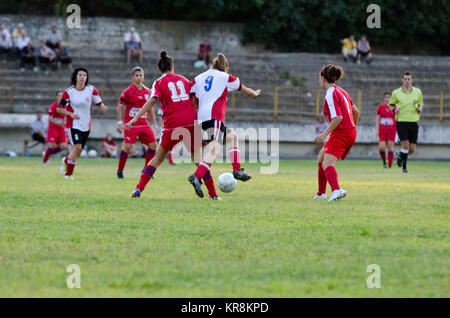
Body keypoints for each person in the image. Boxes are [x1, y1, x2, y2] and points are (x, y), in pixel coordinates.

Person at [126, 51, 218, 200]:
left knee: (157, 159)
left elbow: (152, 101)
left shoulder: (159, 82)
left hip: (172, 125)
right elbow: (196, 99)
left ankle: (138, 190)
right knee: (198, 161)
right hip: (190, 122)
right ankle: (213, 195)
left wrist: (136, 117)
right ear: (172, 66)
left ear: (159, 69)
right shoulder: (184, 79)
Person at [188, 53, 261, 198]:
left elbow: (192, 97)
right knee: (215, 149)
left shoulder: (198, 78)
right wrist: (256, 93)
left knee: (232, 137)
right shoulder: (225, 77)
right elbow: (248, 92)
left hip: (201, 118)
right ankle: (197, 176)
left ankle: (237, 170)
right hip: (214, 116)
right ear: (225, 67)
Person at [313, 64, 360, 202]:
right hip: (349, 131)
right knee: (321, 157)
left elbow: (338, 118)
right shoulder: (341, 91)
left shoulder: (330, 94)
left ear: (322, 78)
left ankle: (336, 190)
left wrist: (323, 134)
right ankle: (321, 193)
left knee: (327, 164)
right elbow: (356, 111)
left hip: (342, 133)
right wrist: (352, 127)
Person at [56, 68, 108, 179]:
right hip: (73, 124)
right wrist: (70, 114)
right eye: (80, 75)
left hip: (86, 125)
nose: (82, 77)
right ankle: (68, 174)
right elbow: (59, 109)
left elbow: (98, 102)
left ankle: (65, 160)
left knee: (78, 152)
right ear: (76, 77)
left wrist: (102, 107)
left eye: (84, 75)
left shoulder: (92, 90)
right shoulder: (69, 92)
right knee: (77, 147)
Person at [116, 67, 159, 178]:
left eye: (141, 75)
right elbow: (120, 107)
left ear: (143, 77)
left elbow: (150, 109)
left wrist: (154, 124)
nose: (139, 77)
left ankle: (146, 170)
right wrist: (119, 122)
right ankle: (120, 171)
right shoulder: (127, 92)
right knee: (127, 148)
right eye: (137, 75)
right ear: (133, 77)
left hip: (144, 123)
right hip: (131, 124)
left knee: (153, 145)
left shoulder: (148, 92)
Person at [389, 71, 423, 173]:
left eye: (409, 79)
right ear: (402, 80)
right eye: (405, 79)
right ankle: (404, 166)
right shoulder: (396, 92)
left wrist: (420, 108)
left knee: (411, 149)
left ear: (412, 80)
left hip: (413, 121)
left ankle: (400, 156)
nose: (407, 81)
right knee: (405, 145)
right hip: (401, 121)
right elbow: (391, 105)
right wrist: (394, 110)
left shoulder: (418, 92)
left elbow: (420, 104)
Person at [42, 90, 67, 164]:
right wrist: (59, 123)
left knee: (63, 146)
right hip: (53, 127)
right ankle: (44, 161)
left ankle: (48, 153)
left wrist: (65, 122)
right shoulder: (53, 106)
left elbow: (66, 115)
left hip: (61, 128)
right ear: (56, 97)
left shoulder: (65, 105)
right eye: (59, 96)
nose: (61, 97)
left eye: (62, 96)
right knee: (52, 146)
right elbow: (50, 119)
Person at [376, 91, 396, 168]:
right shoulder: (381, 107)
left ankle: (390, 165)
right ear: (384, 98)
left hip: (391, 129)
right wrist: (377, 129)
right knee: (381, 147)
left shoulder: (394, 107)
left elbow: (397, 117)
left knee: (390, 146)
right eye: (386, 97)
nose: (387, 99)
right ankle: (384, 161)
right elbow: (377, 118)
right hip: (382, 129)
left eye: (389, 97)